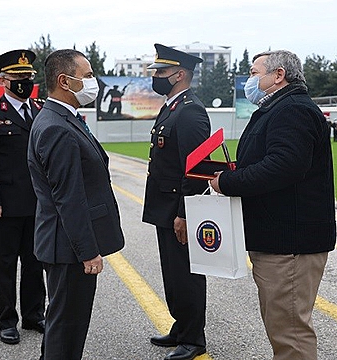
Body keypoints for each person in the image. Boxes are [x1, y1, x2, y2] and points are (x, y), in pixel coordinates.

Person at [209, 50, 336, 360]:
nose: (250, 81)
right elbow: (270, 161)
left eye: (255, 73)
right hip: (279, 238)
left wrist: (227, 182)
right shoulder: (279, 108)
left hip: (290, 243)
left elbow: (284, 166)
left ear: (278, 75)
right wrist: (230, 171)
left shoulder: (292, 109)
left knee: (290, 334)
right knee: (282, 326)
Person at [27, 49, 125, 360]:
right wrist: (88, 251)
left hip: (64, 244)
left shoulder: (61, 118)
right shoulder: (56, 126)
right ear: (63, 81)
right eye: (86, 76)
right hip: (68, 248)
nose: (93, 82)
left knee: (61, 325)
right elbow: (68, 197)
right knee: (67, 330)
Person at [0, 50, 47, 345]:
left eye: (28, 77)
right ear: (3, 80)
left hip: (38, 203)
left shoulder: (40, 110)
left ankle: (33, 314)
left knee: (35, 261)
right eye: (18, 78)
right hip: (4, 205)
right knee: (4, 265)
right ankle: (7, 321)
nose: (25, 82)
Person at [142, 43, 210, 360]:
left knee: (186, 275)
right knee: (172, 272)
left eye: (161, 72)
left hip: (178, 209)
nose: (156, 76)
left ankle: (194, 338)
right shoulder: (172, 106)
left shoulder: (190, 110)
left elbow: (195, 170)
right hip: (164, 207)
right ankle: (181, 328)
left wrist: (184, 214)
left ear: (179, 74)